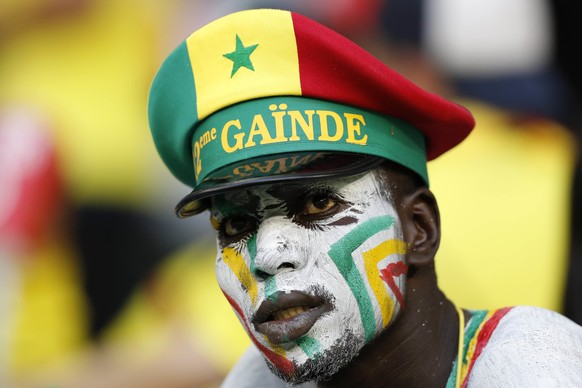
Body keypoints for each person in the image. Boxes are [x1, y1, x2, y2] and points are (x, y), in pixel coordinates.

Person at [147, 8, 582, 387]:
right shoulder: (256, 380)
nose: (268, 254)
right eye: (236, 225)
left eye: (319, 205)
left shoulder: (532, 365)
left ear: (420, 229)